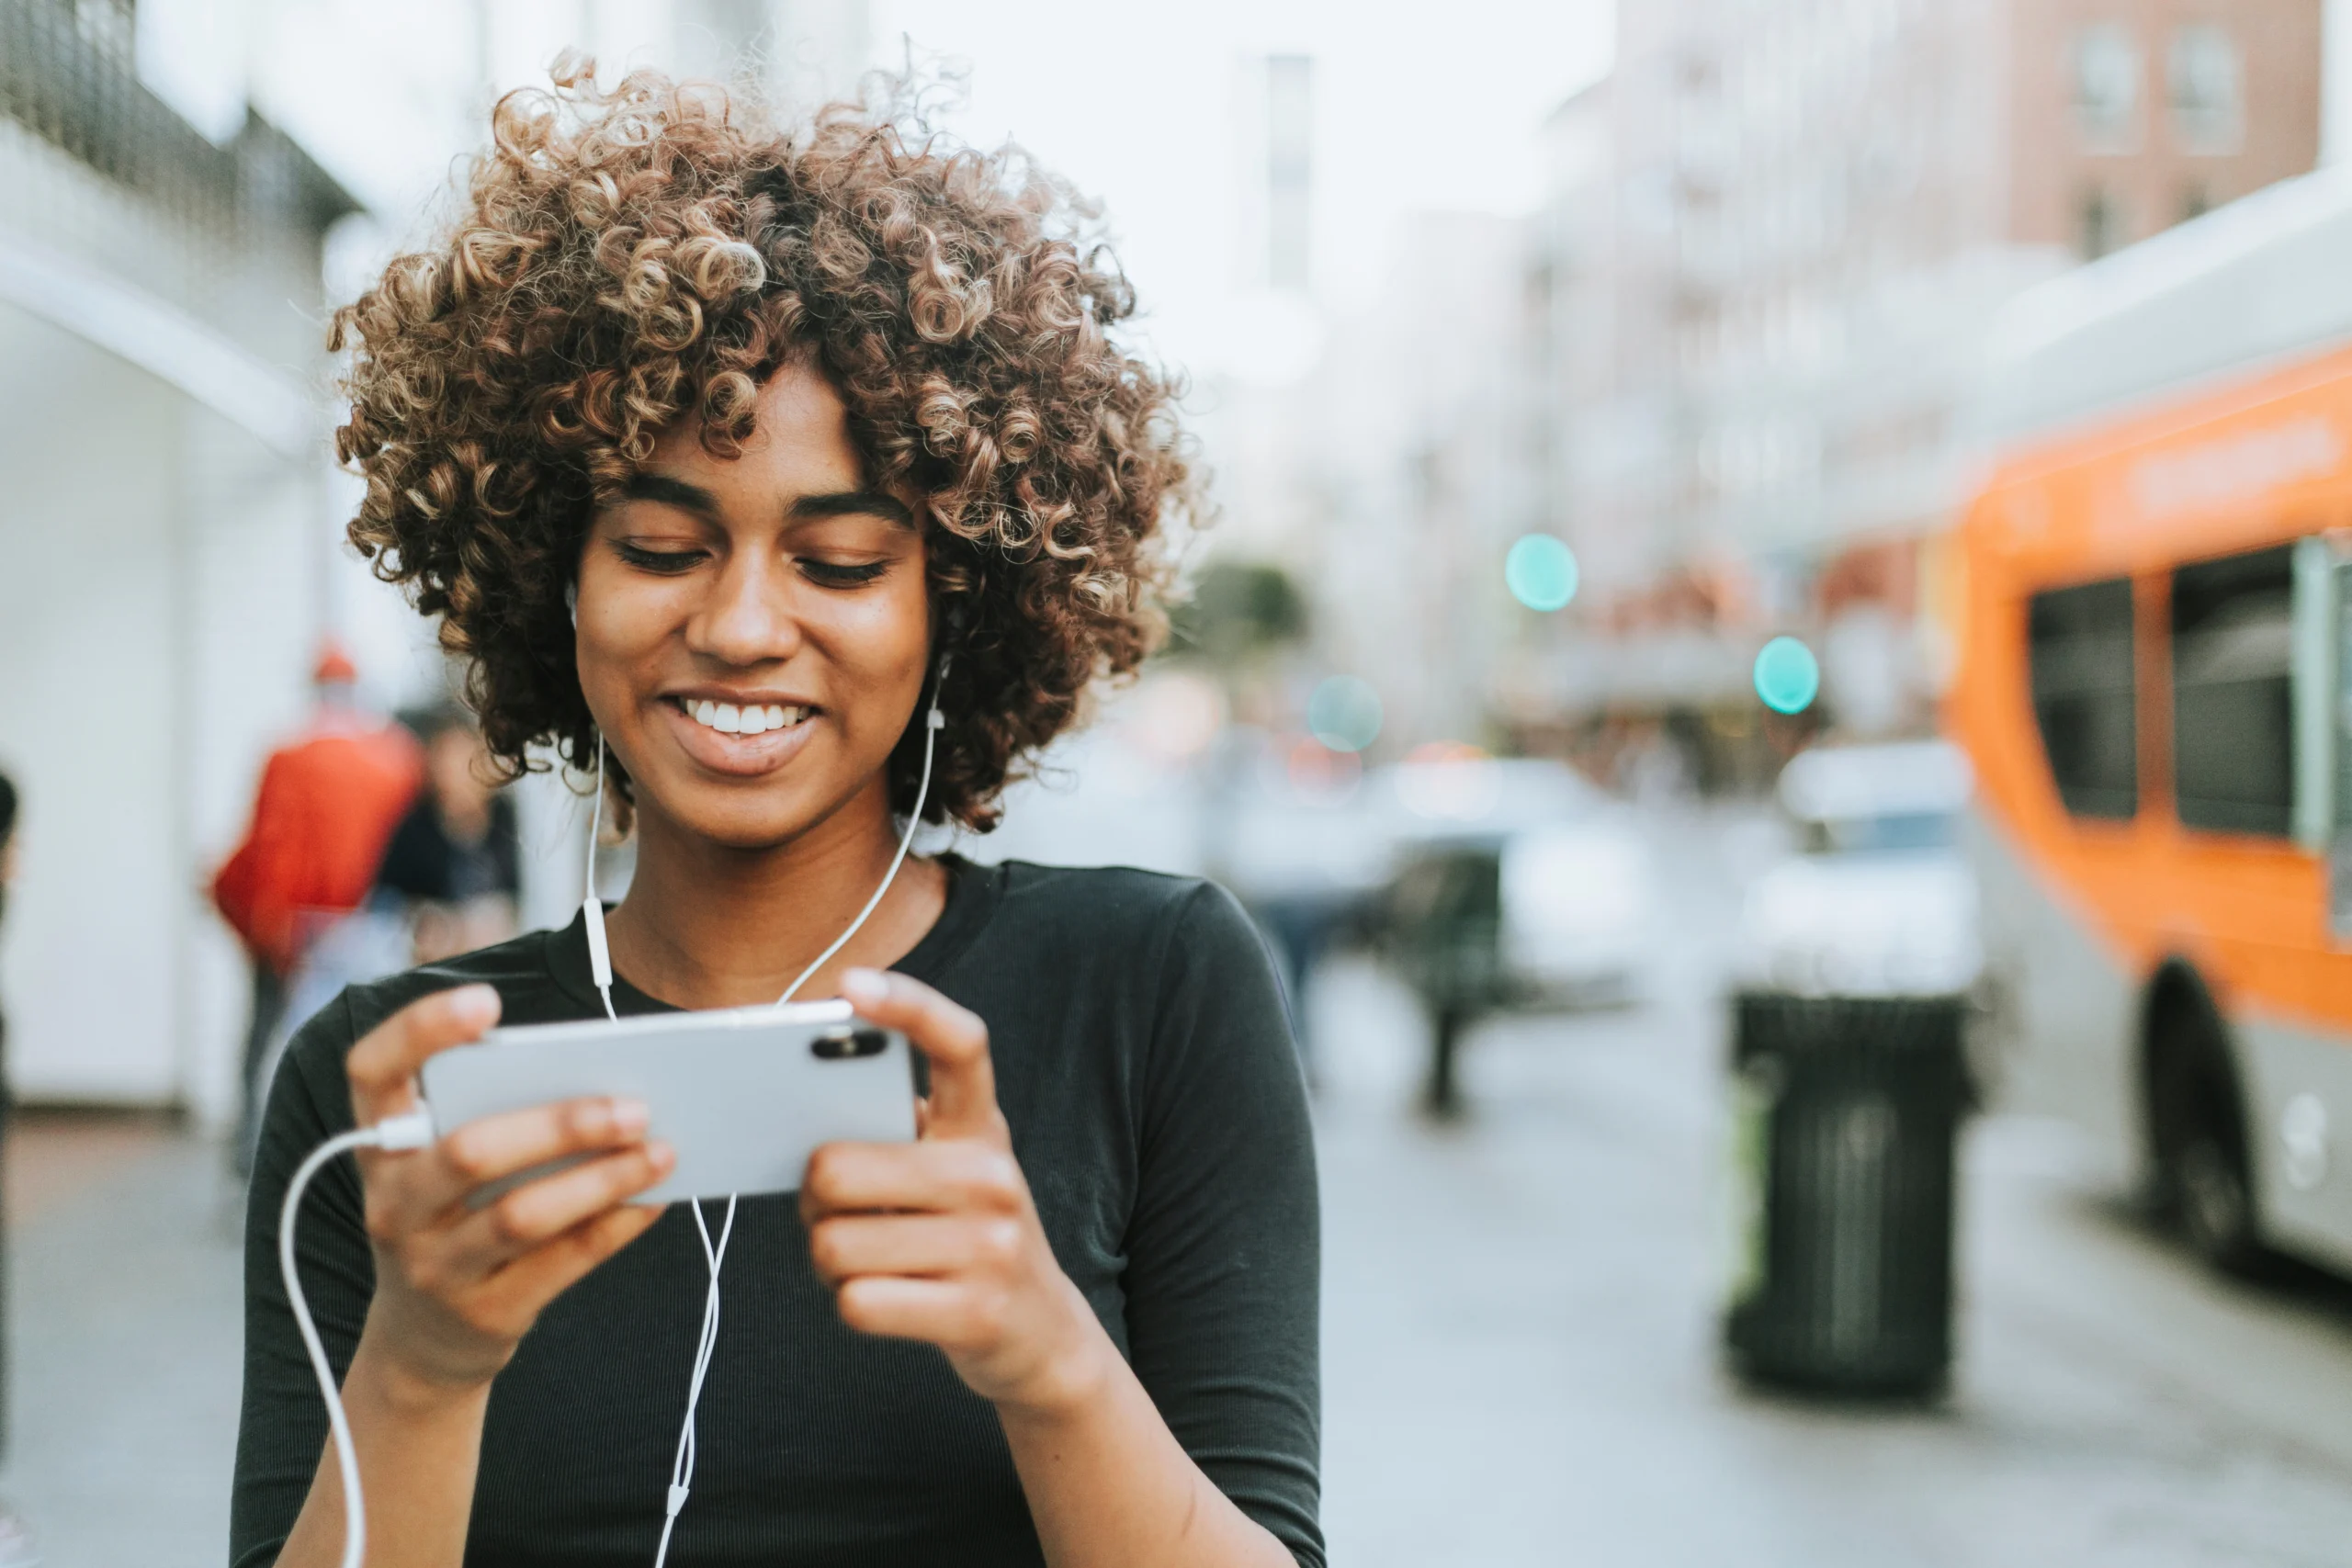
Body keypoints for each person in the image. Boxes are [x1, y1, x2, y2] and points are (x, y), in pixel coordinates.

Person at [233, 64, 1321, 1568]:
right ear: (556, 578)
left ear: (958, 603)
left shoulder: (1155, 988)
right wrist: (420, 1366)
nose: (743, 625)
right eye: (666, 544)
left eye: (843, 563)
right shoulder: (386, 1086)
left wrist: (1046, 1351)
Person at [214, 646, 424, 1166]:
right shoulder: (397, 757)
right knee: (368, 1037)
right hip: (373, 926)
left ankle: (257, 1152)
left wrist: (261, 923)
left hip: (297, 926)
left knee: (269, 1039)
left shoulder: (288, 757)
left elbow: (271, 848)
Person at [375, 708, 522, 964]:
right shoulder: (415, 824)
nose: (452, 776)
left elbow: (516, 893)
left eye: (463, 763)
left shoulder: (504, 819)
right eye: (445, 764)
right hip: (433, 959)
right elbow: (385, 901)